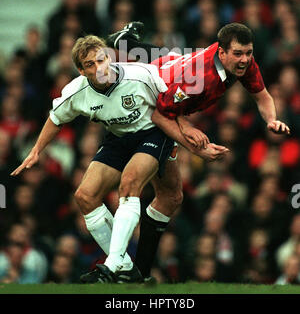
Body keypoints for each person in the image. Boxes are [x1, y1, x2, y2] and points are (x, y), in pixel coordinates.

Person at [11, 34, 227, 284]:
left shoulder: (139, 75)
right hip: (118, 138)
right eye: (90, 64)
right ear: (81, 70)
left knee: (130, 181)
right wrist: (37, 150)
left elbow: (171, 103)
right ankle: (124, 265)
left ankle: (111, 265)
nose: (99, 67)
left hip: (153, 131)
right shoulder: (76, 91)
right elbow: (56, 118)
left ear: (109, 57)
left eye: (101, 59)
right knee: (84, 196)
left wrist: (187, 132)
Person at [107, 21, 291, 280]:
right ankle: (120, 266)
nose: (245, 60)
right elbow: (160, 113)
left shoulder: (241, 64)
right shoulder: (201, 78)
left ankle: (123, 40)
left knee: (165, 57)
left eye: (248, 53)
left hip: (172, 70)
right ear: (222, 52)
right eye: (238, 54)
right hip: (148, 92)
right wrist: (195, 146)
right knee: (155, 194)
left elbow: (263, 97)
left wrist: (271, 119)